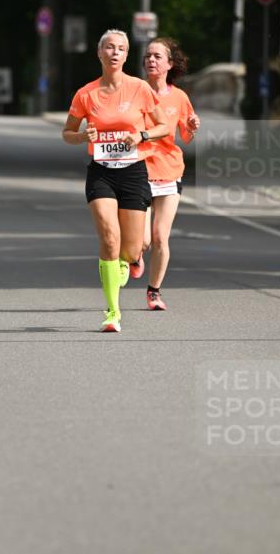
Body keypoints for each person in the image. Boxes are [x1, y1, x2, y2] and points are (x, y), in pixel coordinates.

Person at [62, 29, 170, 333]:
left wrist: (141, 135)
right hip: (101, 172)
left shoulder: (140, 89)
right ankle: (113, 312)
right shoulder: (86, 93)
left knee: (132, 249)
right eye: (109, 47)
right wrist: (83, 135)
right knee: (109, 236)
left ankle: (127, 261)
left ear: (126, 55)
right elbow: (66, 133)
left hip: (134, 171)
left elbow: (164, 125)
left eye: (121, 49)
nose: (114, 53)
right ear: (99, 53)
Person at [142, 38, 200, 310]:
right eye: (148, 56)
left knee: (160, 237)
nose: (151, 60)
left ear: (169, 64)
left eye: (157, 56)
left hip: (169, 170)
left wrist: (191, 124)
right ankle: (132, 257)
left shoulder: (179, 97)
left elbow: (186, 137)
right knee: (140, 242)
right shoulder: (134, 91)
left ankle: (154, 292)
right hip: (137, 169)